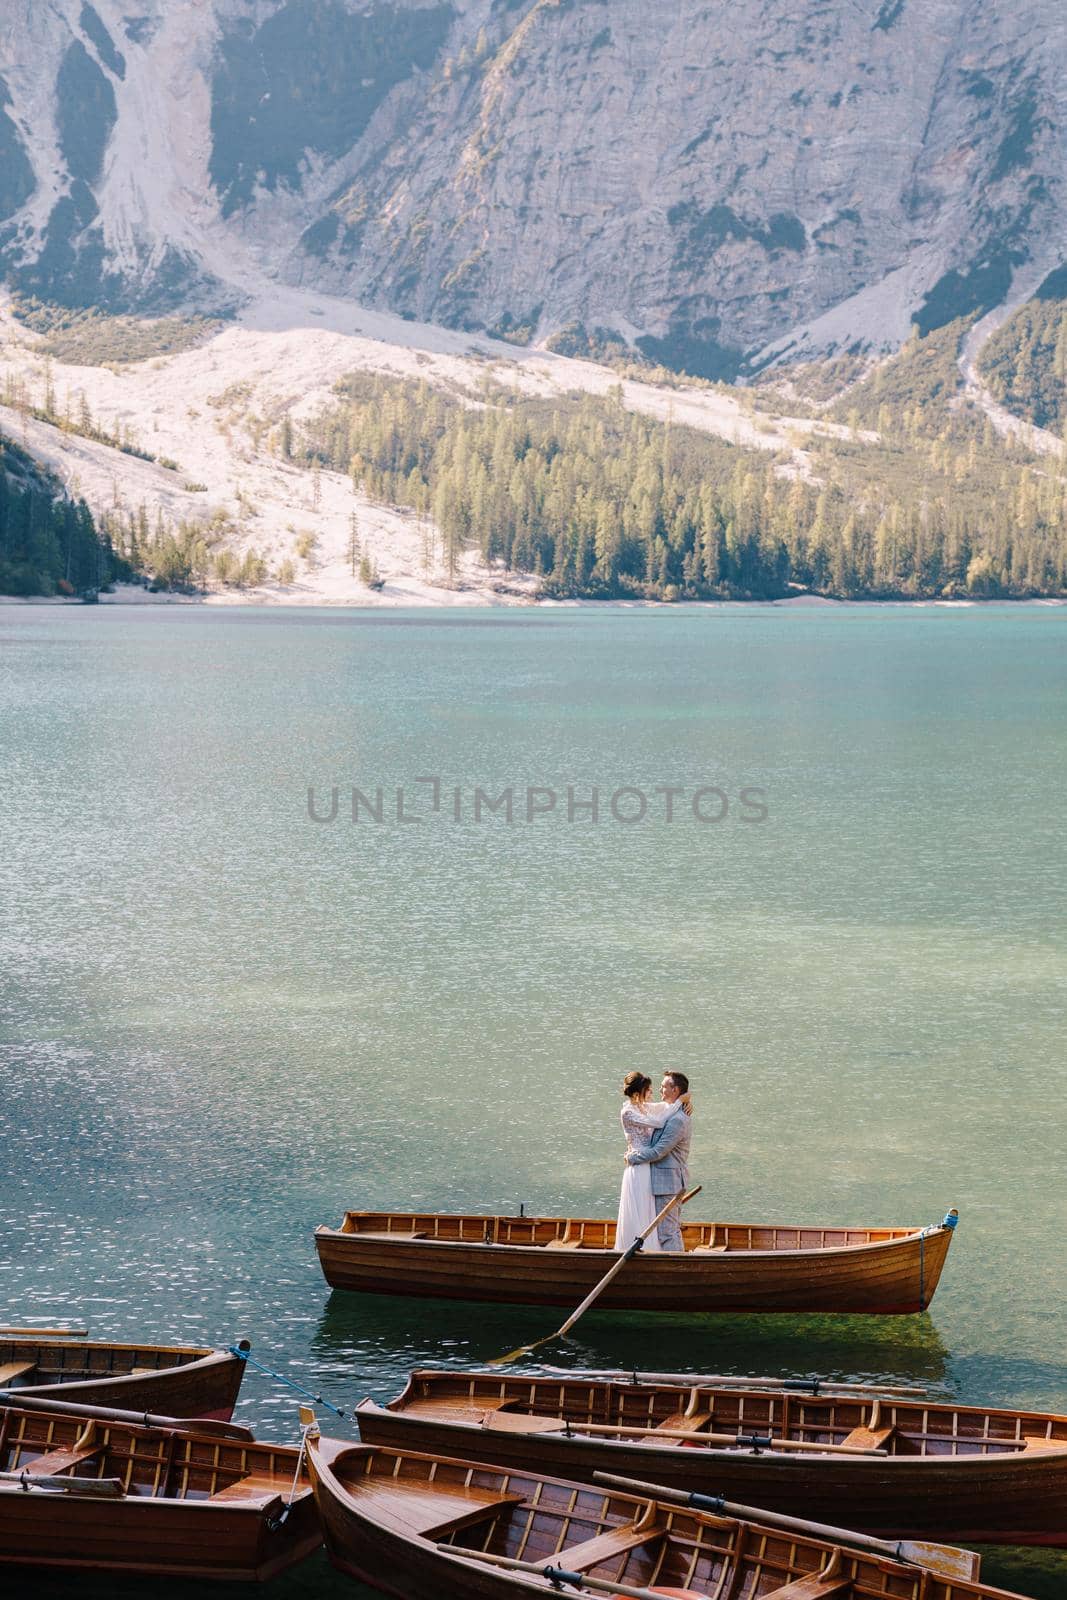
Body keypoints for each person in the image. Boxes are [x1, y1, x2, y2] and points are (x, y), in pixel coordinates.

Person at [614, 1071, 692, 1253]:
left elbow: (658, 1148)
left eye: (663, 1086)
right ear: (637, 1093)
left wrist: (685, 1101)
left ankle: (671, 1266)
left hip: (653, 1171)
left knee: (664, 1228)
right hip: (643, 1171)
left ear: (675, 1089)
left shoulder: (673, 1117)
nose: (655, 1091)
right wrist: (681, 1101)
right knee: (648, 1218)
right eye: (648, 1090)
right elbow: (660, 1117)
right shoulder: (630, 1111)